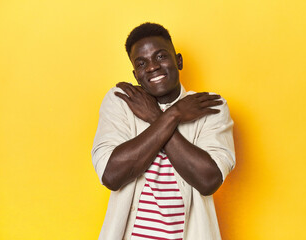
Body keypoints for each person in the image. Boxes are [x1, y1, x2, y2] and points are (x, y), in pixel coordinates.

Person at [91, 22, 235, 240]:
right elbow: (111, 175)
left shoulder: (209, 106)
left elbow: (208, 180)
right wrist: (173, 115)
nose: (152, 67)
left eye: (160, 57)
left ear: (178, 60)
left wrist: (159, 117)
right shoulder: (122, 101)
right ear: (136, 74)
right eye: (142, 63)